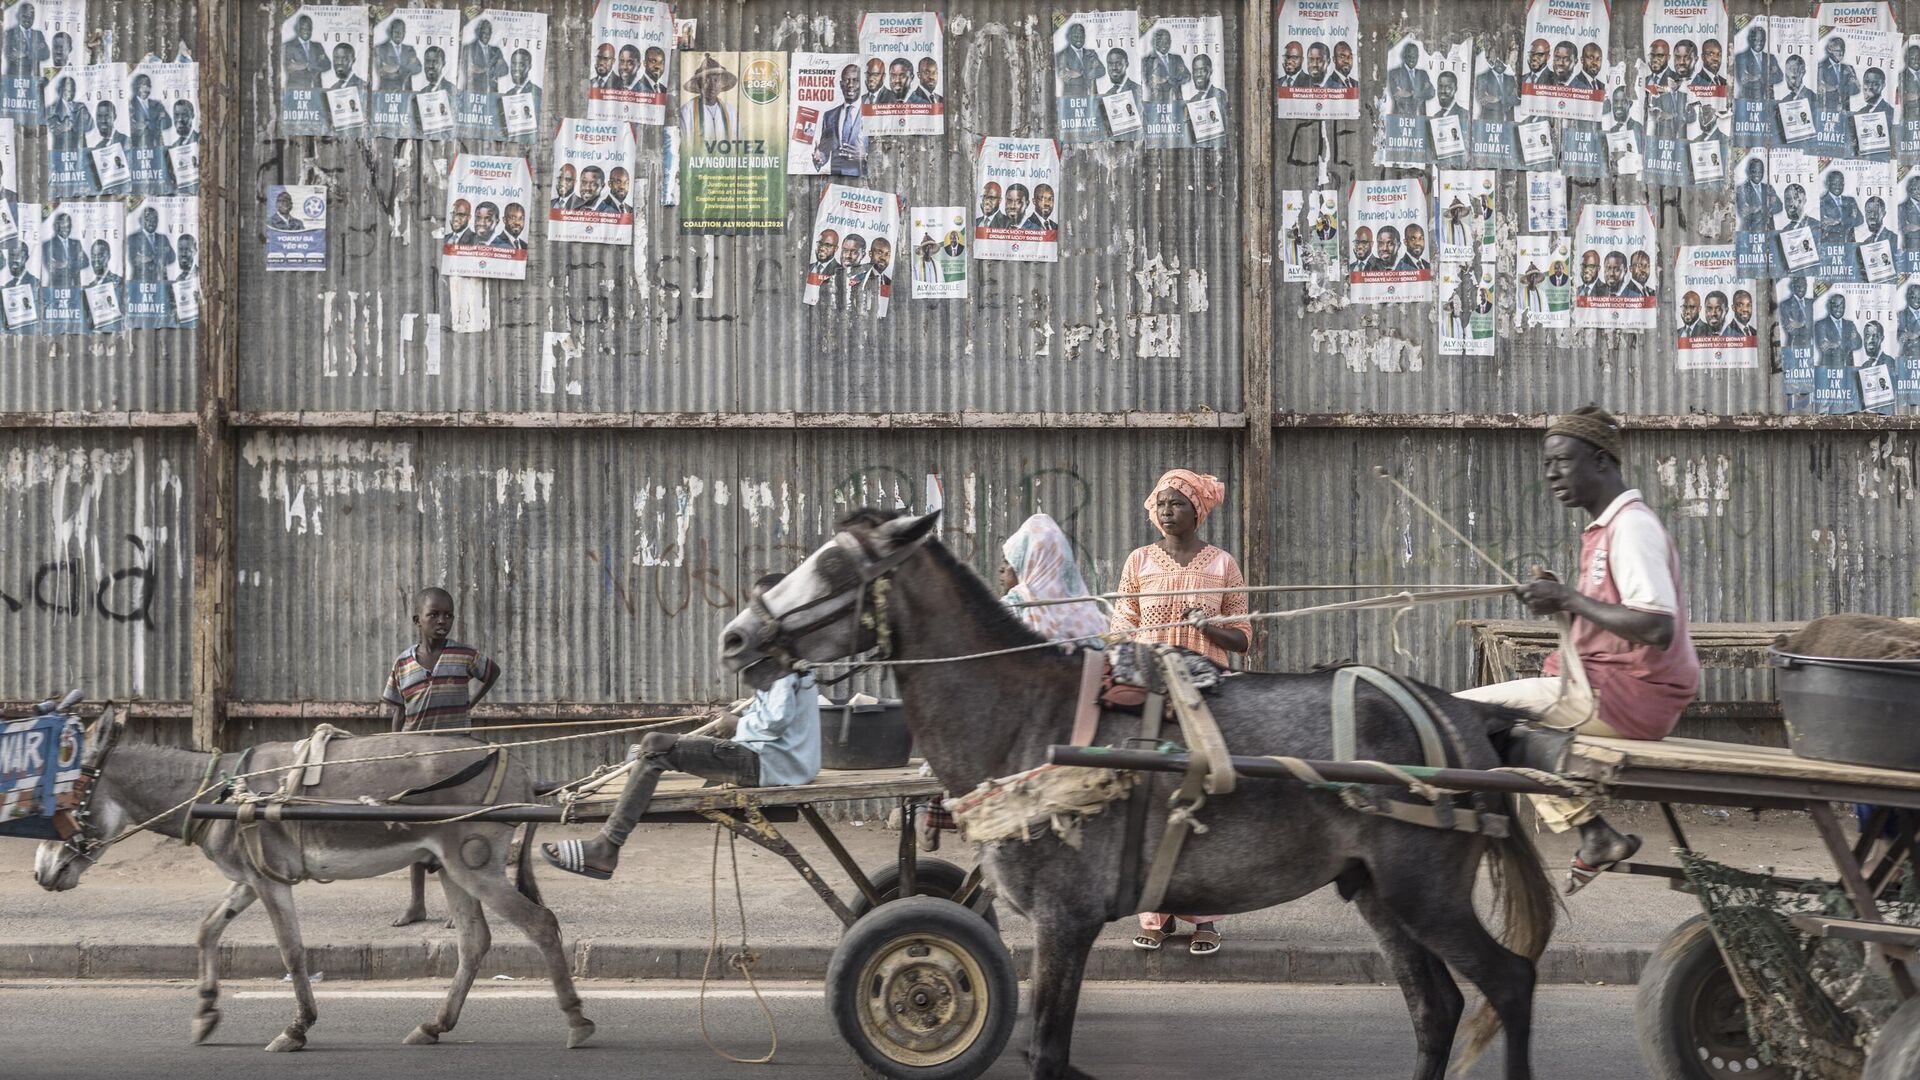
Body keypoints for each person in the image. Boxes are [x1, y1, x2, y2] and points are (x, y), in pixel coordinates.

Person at [1456, 408, 1699, 895]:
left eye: (1562, 461)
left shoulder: (1630, 528)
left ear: (1602, 460)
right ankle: (1594, 834)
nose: (1551, 474)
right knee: (1496, 726)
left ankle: (1586, 833)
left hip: (1624, 695)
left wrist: (1566, 598)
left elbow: (1657, 627)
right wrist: (1561, 596)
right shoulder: (1606, 529)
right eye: (1548, 464)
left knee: (1458, 715)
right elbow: (1613, 615)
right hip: (1610, 689)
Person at [544, 576, 821, 881]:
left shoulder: (783, 667)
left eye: (762, 609)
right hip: (779, 763)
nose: (753, 617)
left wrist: (737, 724)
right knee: (640, 754)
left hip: (767, 765)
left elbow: (776, 721)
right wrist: (737, 724)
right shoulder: (789, 659)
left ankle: (606, 847)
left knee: (654, 745)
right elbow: (777, 716)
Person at [1113, 470, 1250, 956]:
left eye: (1176, 503)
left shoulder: (1222, 565)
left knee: (1203, 803)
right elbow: (1122, 627)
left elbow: (1244, 638)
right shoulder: (1139, 561)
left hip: (1208, 694)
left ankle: (1205, 918)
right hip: (1152, 693)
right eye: (1161, 503)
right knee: (1152, 802)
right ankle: (1156, 914)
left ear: (1198, 510)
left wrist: (1211, 629)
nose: (1166, 511)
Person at [379, 587, 502, 925]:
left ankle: (458, 907)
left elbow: (493, 672)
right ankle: (417, 903)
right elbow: (397, 710)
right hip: (416, 759)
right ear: (417, 619)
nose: (442, 621)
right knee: (417, 830)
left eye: (448, 615)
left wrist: (472, 704)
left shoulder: (464, 656)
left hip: (455, 759)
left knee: (455, 829)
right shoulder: (404, 662)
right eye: (434, 615)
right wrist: (394, 747)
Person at [998, 513, 1107, 644]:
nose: (1001, 569)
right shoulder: (1091, 618)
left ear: (1031, 565)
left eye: (1008, 561)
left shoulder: (1014, 607)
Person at [814, 62, 864, 174]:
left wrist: (865, 155)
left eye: (855, 80)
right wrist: (819, 158)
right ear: (841, 84)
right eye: (846, 80)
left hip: (864, 179)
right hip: (837, 177)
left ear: (862, 84)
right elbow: (824, 150)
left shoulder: (871, 112)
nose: (850, 85)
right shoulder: (829, 116)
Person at [679, 54, 737, 144]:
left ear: (721, 83)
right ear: (699, 84)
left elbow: (737, 143)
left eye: (716, 80)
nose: (712, 86)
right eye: (706, 80)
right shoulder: (687, 111)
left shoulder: (729, 111)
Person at [1734, 24, 1781, 102]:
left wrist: (1757, 77)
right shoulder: (1741, 57)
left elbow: (1779, 77)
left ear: (1765, 41)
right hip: (1748, 101)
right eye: (1756, 39)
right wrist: (1770, 73)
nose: (1759, 43)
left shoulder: (1771, 58)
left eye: (1762, 40)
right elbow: (1743, 79)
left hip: (1768, 102)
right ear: (1750, 39)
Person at [1141, 28, 1188, 105]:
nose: (1165, 45)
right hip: (1156, 103)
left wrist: (1167, 79)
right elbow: (1150, 80)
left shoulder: (1177, 59)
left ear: (1170, 42)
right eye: (1161, 42)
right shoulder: (1146, 61)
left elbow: (1187, 76)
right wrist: (1176, 78)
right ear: (1155, 43)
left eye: (1167, 42)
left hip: (1176, 101)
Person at [127, 207, 175, 282]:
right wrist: (160, 257)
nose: (151, 222)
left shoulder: (163, 238)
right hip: (141, 281)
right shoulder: (133, 238)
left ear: (158, 221)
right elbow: (135, 260)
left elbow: (172, 257)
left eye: (154, 220)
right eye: (148, 219)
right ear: (142, 221)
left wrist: (148, 258)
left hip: (161, 282)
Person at [1815, 292, 1862, 368]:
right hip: (1829, 369)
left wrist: (1836, 344)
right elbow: (1824, 347)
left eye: (1841, 306)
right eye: (1835, 306)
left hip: (1848, 368)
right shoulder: (1821, 324)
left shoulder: (1850, 324)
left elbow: (1858, 344)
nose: (1838, 309)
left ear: (1845, 307)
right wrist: (1849, 342)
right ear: (1829, 306)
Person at [4, 3, 50, 80]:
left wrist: (25, 53)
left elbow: (46, 55)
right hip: (14, 79)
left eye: (31, 17)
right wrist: (35, 52)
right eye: (25, 16)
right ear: (19, 16)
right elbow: (10, 55)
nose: (28, 20)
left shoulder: (38, 34)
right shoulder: (10, 33)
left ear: (34, 18)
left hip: (34, 80)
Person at [1735, 155, 1780, 233]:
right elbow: (1743, 211)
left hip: (1769, 232)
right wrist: (1767, 206)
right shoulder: (1741, 189)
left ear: (1763, 172)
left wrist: (1756, 209)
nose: (1757, 174)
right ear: (1749, 172)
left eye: (1760, 172)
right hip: (1750, 231)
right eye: (1754, 171)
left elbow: (1779, 206)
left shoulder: (1769, 188)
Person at [374, 18, 421, 93]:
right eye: (396, 31)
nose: (399, 34)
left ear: (404, 33)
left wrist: (395, 68)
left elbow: (418, 69)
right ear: (391, 32)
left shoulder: (409, 49)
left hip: (406, 93)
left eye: (401, 32)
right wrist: (407, 66)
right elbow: (382, 72)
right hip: (387, 92)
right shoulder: (380, 49)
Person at [1386, 40, 1432, 116]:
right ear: (1404, 56)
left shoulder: (1423, 74)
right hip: (1400, 119)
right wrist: (1421, 91)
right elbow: (1397, 94)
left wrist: (1409, 93)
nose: (1412, 59)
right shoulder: (1394, 73)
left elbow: (1431, 93)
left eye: (1414, 56)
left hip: (1420, 119)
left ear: (1418, 57)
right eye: (1409, 56)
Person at [462, 18, 506, 95]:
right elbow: (469, 71)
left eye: (489, 33)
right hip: (474, 92)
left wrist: (483, 70)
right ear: (479, 32)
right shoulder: (469, 48)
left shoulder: (496, 51)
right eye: (484, 33)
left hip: (491, 93)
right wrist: (495, 67)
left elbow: (505, 70)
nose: (487, 36)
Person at [1056, 22, 1100, 98]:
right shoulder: (1062, 54)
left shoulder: (1091, 53)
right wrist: (1090, 69)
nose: (1079, 39)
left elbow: (1102, 70)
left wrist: (1080, 73)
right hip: (1072, 97)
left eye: (1081, 36)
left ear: (1085, 37)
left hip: (1091, 97)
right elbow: (1062, 74)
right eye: (1076, 36)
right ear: (1069, 37)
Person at [1476, 45, 1518, 123]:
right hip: (1489, 121)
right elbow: (1482, 99)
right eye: (1497, 57)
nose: (1501, 62)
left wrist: (1498, 98)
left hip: (1509, 122)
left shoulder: (1511, 78)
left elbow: (1516, 100)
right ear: (1491, 59)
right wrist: (1507, 100)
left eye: (1504, 58)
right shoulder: (1482, 77)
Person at [1820, 169, 1862, 246]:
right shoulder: (1821, 202)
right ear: (1828, 183)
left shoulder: (1850, 201)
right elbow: (1823, 225)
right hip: (1831, 246)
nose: (1838, 186)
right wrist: (1850, 219)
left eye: (1841, 183)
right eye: (1835, 183)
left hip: (1849, 245)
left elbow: (1859, 220)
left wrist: (1838, 221)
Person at [283, 14, 325, 92]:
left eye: (308, 29)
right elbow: (289, 67)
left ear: (312, 29)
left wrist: (299, 65)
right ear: (298, 29)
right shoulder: (289, 45)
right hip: (296, 90)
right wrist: (310, 65)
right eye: (303, 29)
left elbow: (326, 64)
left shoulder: (318, 46)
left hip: (317, 90)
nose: (306, 32)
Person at [1819, 34, 1858, 115]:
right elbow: (1818, 90)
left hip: (1844, 114)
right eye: (1837, 51)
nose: (1841, 53)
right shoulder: (1821, 67)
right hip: (1827, 112)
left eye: (1843, 50)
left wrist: (1852, 83)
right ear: (1830, 50)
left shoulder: (1848, 68)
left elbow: (1855, 91)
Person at [41, 213, 83, 288]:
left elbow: (85, 262)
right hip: (57, 286)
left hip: (75, 286)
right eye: (63, 226)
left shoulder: (76, 243)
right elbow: (51, 266)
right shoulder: (48, 245)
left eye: (68, 226)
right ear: (56, 227)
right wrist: (76, 261)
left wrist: (65, 264)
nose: (66, 229)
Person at [1778, 275, 1813, 349]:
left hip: (1810, 345)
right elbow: (1792, 331)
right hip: (1794, 345)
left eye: (1804, 286)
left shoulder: (1811, 303)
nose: (1801, 289)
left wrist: (1799, 324)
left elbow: (1813, 327)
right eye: (1798, 286)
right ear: (1793, 287)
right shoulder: (1785, 304)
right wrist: (1807, 324)